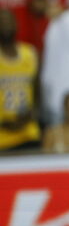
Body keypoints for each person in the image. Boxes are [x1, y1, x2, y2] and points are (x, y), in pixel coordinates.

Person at [0, 8, 40, 150]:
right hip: (2, 137)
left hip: (28, 133)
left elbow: (38, 92)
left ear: (16, 25)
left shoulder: (30, 53)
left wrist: (30, 115)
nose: (5, 25)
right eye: (2, 22)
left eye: (8, 21)